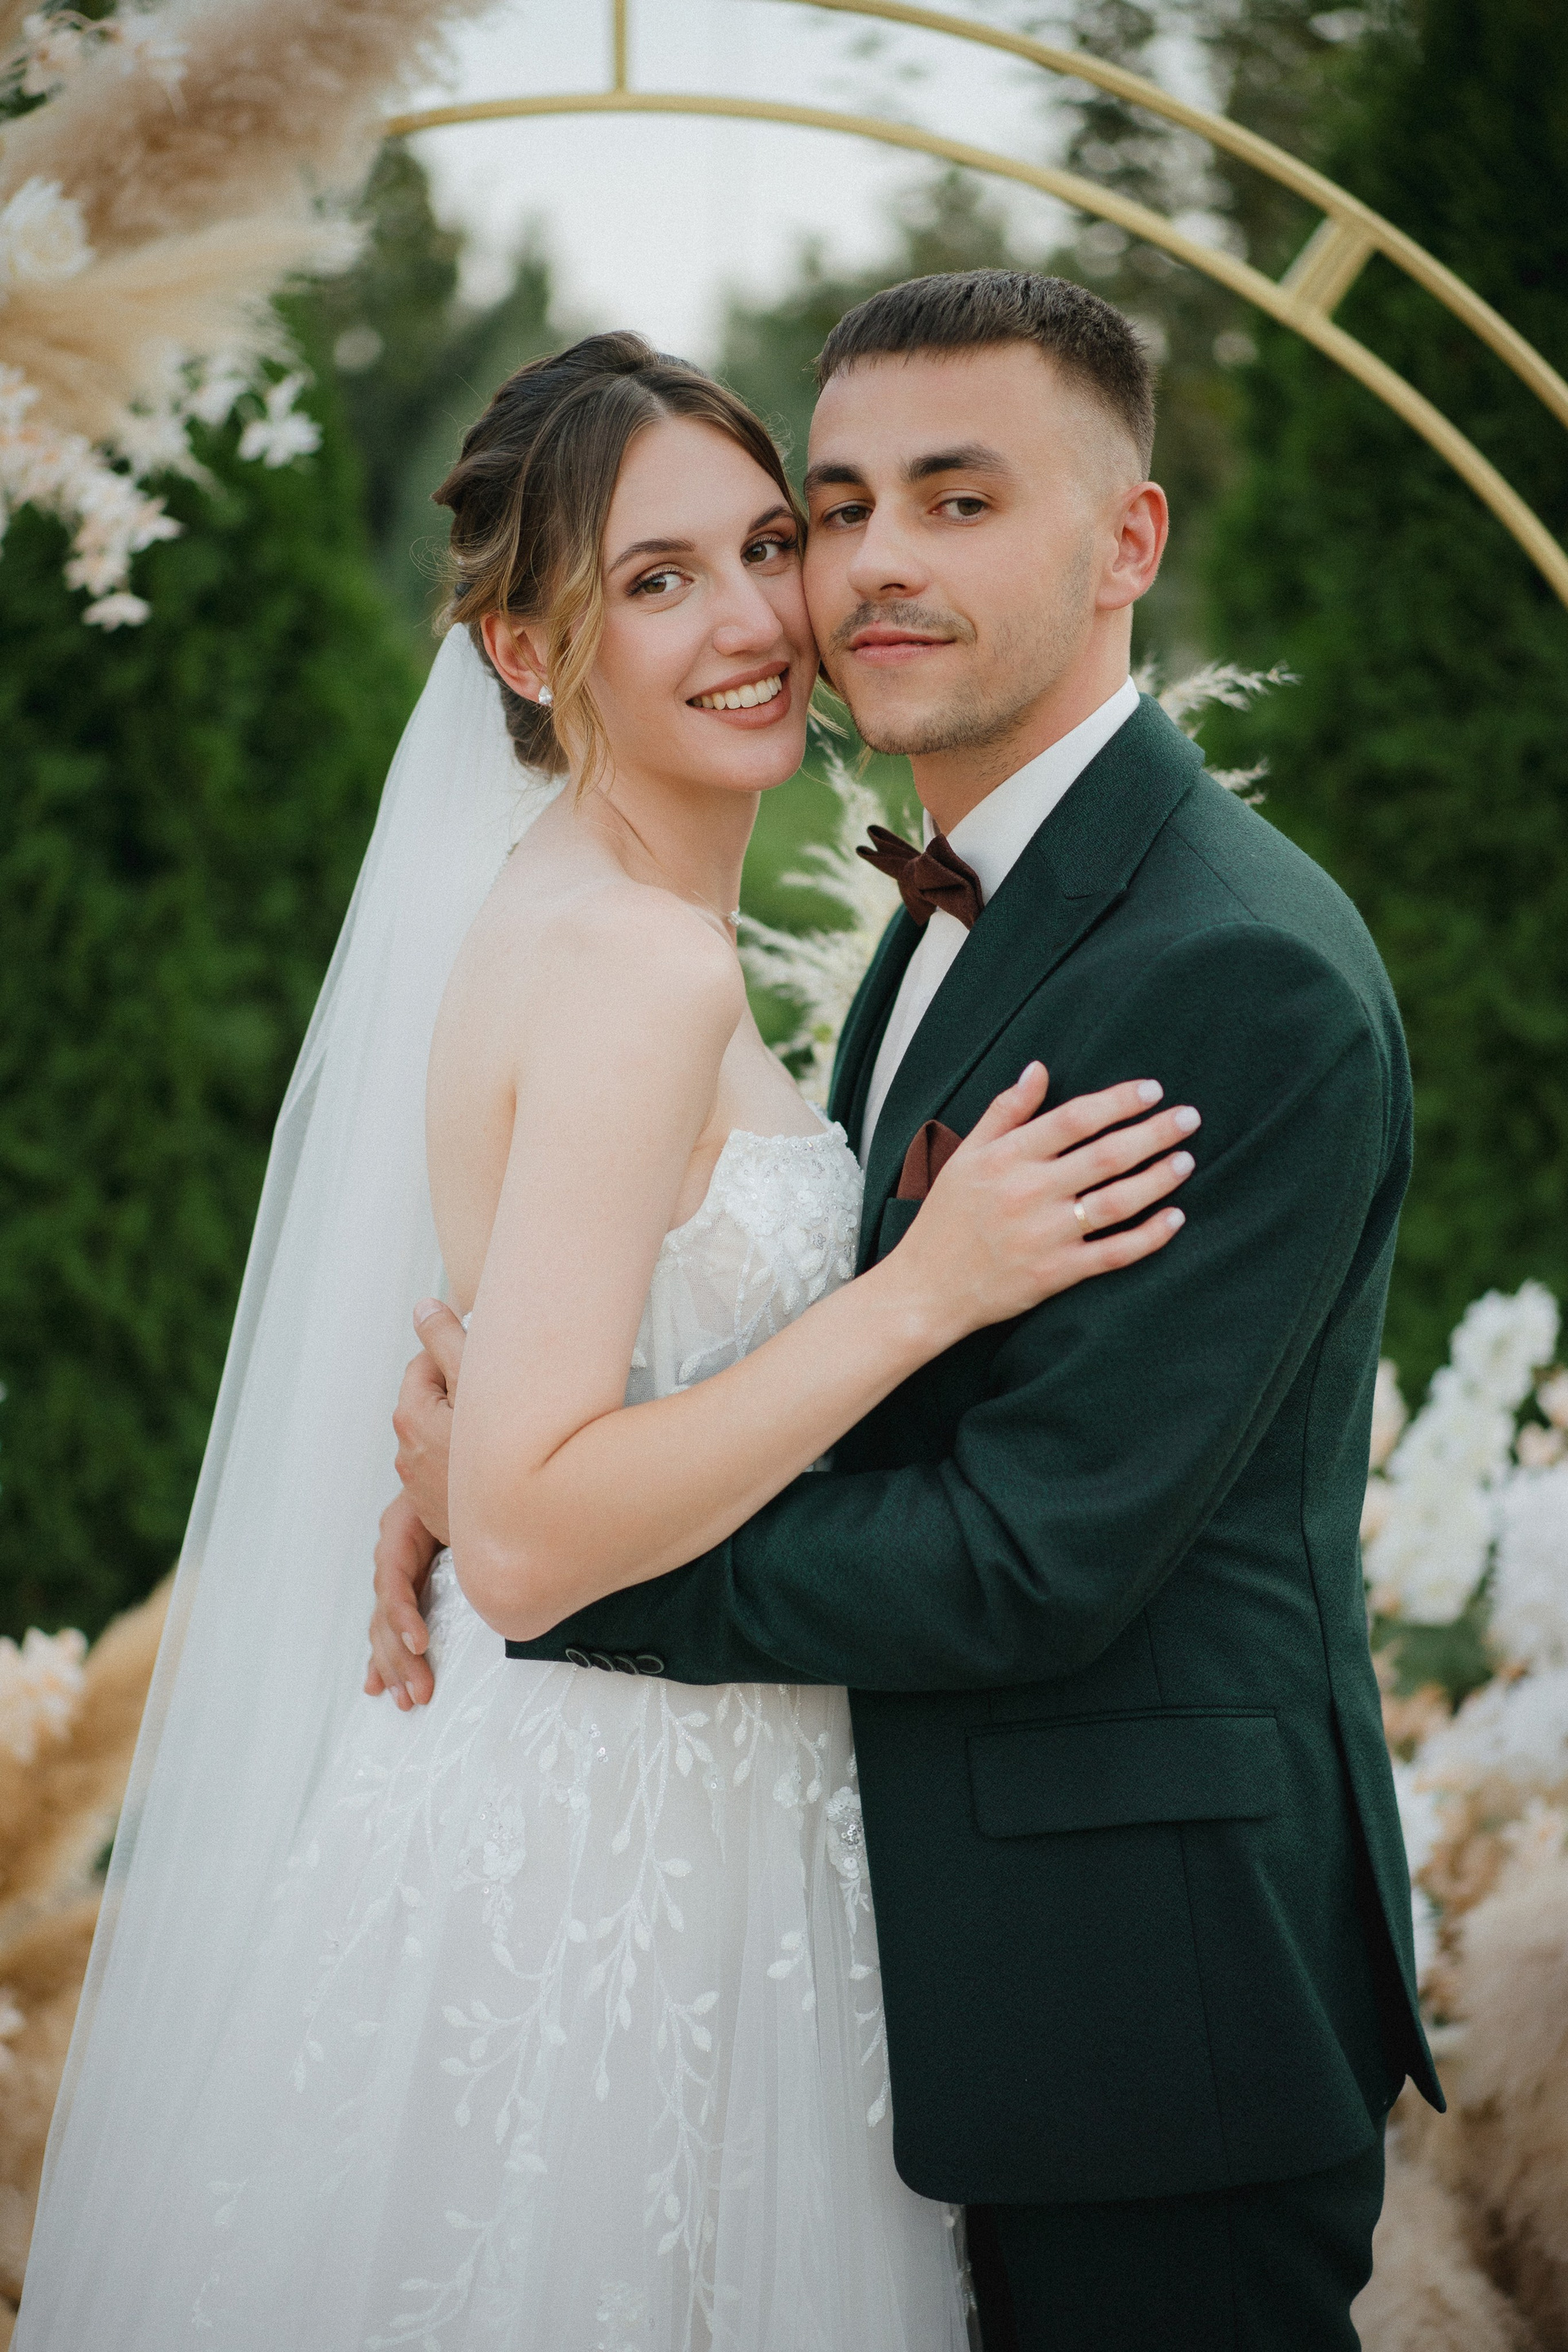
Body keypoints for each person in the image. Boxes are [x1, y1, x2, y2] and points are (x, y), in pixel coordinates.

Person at [14, 328, 1198, 2351]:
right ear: (525, 650)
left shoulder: (563, 909)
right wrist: (924, 1291)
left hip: (634, 1794)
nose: (753, 621)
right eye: (657, 581)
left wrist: (469, 1454)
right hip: (626, 1852)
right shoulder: (641, 967)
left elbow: (545, 1405)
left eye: (765, 546)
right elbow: (536, 1532)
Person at [379, 272, 1443, 2352]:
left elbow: (1029, 1551)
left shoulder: (1229, 965)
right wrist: (510, 1448)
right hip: (924, 1973)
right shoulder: (957, 902)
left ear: (1127, 542)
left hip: (1147, 2016)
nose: (866, 568)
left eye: (958, 502)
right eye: (840, 507)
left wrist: (554, 1565)